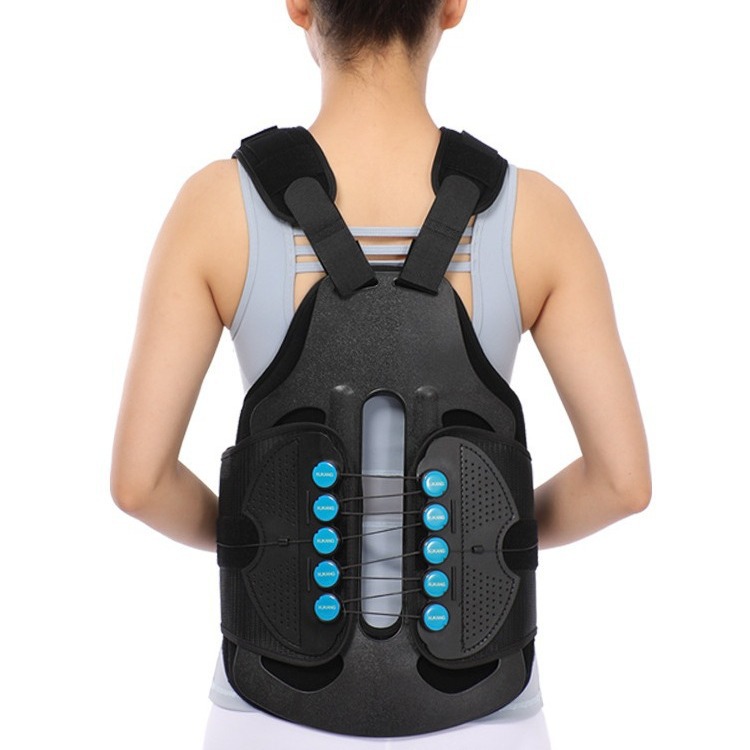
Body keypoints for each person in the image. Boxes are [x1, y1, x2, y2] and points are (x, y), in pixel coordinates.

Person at [110, 1, 651, 747]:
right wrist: (483, 537)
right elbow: (622, 483)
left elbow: (139, 484)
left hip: (272, 706)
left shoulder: (216, 208)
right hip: (482, 708)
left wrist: (267, 541)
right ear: (451, 7)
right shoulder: (536, 216)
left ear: (300, 5)